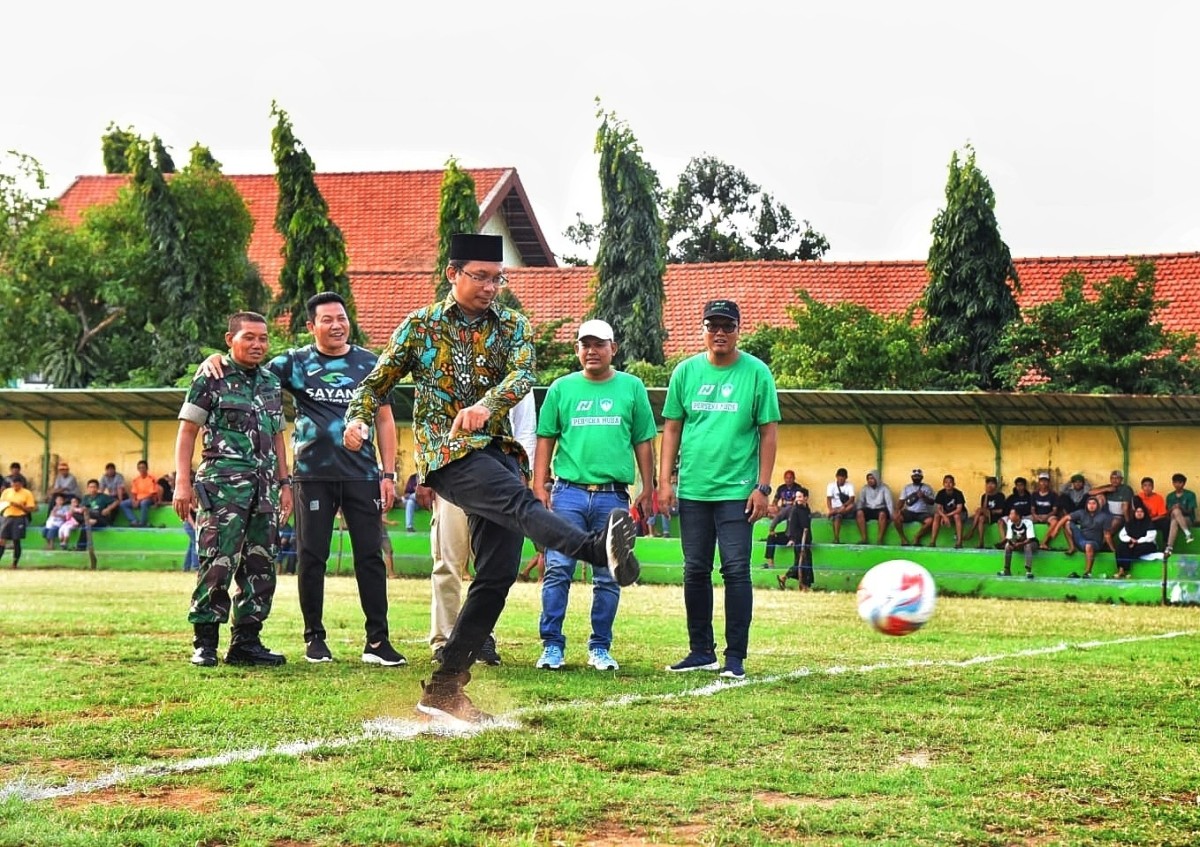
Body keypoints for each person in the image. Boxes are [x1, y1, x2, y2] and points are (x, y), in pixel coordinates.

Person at [343, 233, 639, 724]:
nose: (489, 286)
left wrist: (486, 404)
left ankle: (443, 687)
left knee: (498, 572)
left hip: (501, 452)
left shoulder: (513, 325)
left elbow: (522, 375)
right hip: (450, 453)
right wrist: (356, 420)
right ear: (452, 275)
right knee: (523, 508)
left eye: (496, 278)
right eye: (479, 276)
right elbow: (377, 382)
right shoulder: (420, 326)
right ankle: (594, 549)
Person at [199, 292, 403, 667]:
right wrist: (215, 358)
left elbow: (386, 419)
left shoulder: (370, 364)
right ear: (311, 327)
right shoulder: (293, 363)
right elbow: (246, 367)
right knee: (312, 557)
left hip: (363, 475)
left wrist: (388, 474)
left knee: (370, 557)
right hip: (312, 476)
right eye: (327, 320)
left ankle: (378, 642)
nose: (337, 325)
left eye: (341, 318)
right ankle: (315, 639)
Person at [658, 298, 780, 681]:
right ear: (703, 330)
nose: (720, 333)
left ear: (738, 330)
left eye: (727, 326)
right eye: (713, 325)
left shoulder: (757, 373)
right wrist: (665, 482)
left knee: (735, 570)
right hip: (694, 490)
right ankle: (700, 651)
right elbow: (673, 428)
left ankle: (735, 657)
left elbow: (768, 433)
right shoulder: (685, 372)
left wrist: (763, 487)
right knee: (694, 570)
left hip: (737, 492)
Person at [532, 318, 657, 672]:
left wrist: (649, 487)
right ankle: (552, 646)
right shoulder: (561, 388)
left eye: (599, 344)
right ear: (577, 350)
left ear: (613, 349)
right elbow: (546, 438)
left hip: (613, 497)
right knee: (557, 569)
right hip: (567, 493)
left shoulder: (632, 388)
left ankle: (600, 648)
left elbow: (643, 441)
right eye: (585, 344)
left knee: (608, 576)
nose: (592, 351)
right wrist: (539, 484)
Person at [173, 311, 293, 668]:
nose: (257, 344)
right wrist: (182, 481)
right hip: (223, 489)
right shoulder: (211, 376)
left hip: (266, 490)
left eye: (263, 338)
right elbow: (187, 431)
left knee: (261, 564)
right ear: (230, 340)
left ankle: (246, 643)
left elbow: (277, 438)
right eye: (249, 338)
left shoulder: (271, 383)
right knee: (217, 561)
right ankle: (205, 642)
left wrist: (285, 484)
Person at [428, 393, 536, 668]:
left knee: (492, 564)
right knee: (447, 559)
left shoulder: (514, 368)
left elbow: (525, 428)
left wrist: (523, 474)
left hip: (500, 476)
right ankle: (444, 639)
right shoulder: (445, 359)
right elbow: (431, 420)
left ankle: (479, 637)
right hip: (453, 470)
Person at [779, 487, 814, 590]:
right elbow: (792, 526)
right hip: (799, 540)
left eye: (800, 497)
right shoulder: (795, 510)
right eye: (797, 497)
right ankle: (803, 585)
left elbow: (807, 526)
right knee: (802, 563)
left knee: (804, 562)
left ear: (806, 498)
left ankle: (785, 578)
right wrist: (792, 539)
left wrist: (809, 539)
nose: (797, 499)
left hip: (806, 540)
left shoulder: (807, 509)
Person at [1046, 473, 1089, 553]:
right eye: (1075, 482)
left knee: (1087, 496)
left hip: (1081, 508)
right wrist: (1070, 481)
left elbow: (1088, 489)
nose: (1078, 484)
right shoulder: (1070, 491)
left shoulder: (1085, 491)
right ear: (1073, 483)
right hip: (1072, 509)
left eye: (1080, 482)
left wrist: (1085, 481)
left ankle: (1076, 519)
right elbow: (1061, 490)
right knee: (1063, 497)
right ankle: (1065, 517)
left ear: (1083, 483)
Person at [1067, 496, 1109, 579]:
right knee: (1067, 523)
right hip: (1081, 540)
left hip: (1095, 543)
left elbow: (1106, 534)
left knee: (1089, 545)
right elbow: (1065, 518)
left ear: (1097, 505)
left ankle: (1087, 572)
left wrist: (1108, 547)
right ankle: (1072, 547)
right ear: (1086, 505)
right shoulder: (1082, 512)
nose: (1091, 505)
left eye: (1094, 503)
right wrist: (1056, 529)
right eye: (1089, 503)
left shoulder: (1104, 516)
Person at [0, 475, 37, 568]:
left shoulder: (27, 493)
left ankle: (14, 563)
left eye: (17, 486)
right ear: (11, 484)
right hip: (7, 517)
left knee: (16, 540)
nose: (15, 488)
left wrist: (19, 506)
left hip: (19, 517)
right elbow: (1, 504)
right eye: (13, 485)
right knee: (1, 540)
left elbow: (31, 509)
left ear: (21, 485)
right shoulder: (6, 492)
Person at [1091, 470, 1134, 550]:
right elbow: (1090, 492)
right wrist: (1106, 490)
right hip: (1106, 515)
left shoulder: (1126, 489)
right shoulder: (1108, 487)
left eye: (1117, 478)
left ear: (1121, 479)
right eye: (1112, 478)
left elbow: (1125, 507)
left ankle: (1100, 546)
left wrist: (1128, 523)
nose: (1114, 480)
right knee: (1099, 496)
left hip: (1119, 516)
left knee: (1108, 531)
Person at [893, 468, 935, 546]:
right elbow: (901, 501)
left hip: (922, 513)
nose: (916, 477)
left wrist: (923, 496)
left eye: (918, 476)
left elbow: (932, 502)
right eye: (914, 476)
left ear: (922, 477)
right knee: (896, 518)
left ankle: (917, 537)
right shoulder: (907, 487)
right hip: (909, 512)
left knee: (930, 521)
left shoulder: (927, 488)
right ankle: (903, 539)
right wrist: (897, 510)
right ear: (912, 477)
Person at [1115, 503, 1157, 579]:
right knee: (1121, 547)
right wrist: (1130, 539)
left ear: (1144, 513)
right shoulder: (1130, 523)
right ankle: (1121, 570)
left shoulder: (1149, 523)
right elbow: (1122, 535)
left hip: (1146, 544)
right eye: (1137, 512)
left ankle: (1125, 571)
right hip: (1132, 543)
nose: (1139, 513)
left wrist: (1137, 542)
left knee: (1134, 549)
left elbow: (1150, 537)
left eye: (1141, 512)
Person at [855, 470, 895, 545]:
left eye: (872, 478)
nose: (870, 481)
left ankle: (880, 540)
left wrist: (891, 515)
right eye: (868, 479)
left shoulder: (884, 488)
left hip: (880, 509)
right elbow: (860, 501)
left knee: (883, 514)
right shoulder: (865, 488)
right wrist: (856, 511)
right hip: (869, 509)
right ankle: (864, 539)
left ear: (877, 478)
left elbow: (889, 502)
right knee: (859, 513)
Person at [1164, 473, 1196, 558]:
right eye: (1175, 482)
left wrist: (1181, 508)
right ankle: (1187, 534)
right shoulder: (1170, 496)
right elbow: (1167, 513)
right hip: (1172, 517)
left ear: (1184, 483)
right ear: (1173, 483)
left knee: (1175, 519)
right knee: (1175, 511)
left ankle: (1169, 547)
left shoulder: (1190, 495)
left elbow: (1190, 511)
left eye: (1180, 482)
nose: (1177, 485)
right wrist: (1173, 509)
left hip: (1187, 519)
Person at [120, 459, 160, 527]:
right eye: (140, 468)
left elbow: (152, 494)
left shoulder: (151, 478)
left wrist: (139, 501)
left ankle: (143, 522)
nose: (141, 469)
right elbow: (133, 493)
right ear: (137, 469)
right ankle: (134, 520)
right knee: (123, 504)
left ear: (147, 468)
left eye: (143, 467)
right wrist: (134, 500)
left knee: (143, 503)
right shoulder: (136, 480)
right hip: (138, 499)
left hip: (149, 499)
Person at [930, 474, 967, 548]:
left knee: (956, 516)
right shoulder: (941, 493)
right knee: (937, 515)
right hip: (948, 514)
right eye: (946, 482)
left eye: (950, 482)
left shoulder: (958, 493)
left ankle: (959, 542)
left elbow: (959, 509)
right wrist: (944, 516)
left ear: (954, 484)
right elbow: (938, 508)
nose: (948, 484)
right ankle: (932, 542)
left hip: (961, 514)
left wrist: (946, 516)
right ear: (943, 484)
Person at [999, 508, 1037, 579]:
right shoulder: (1010, 523)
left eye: (1011, 514)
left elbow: (1030, 539)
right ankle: (1007, 570)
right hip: (1018, 544)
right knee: (1007, 546)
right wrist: (1011, 544)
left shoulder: (1027, 523)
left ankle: (1028, 571)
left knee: (1027, 546)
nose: (1009, 516)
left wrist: (1019, 544)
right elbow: (1009, 537)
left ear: (1018, 516)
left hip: (1031, 543)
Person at [1133, 477, 1169, 545]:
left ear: (1153, 487)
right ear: (1142, 487)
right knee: (1135, 499)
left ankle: (1165, 544)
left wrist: (1151, 519)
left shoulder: (1158, 498)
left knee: (1165, 522)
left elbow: (1162, 515)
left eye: (1149, 485)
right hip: (1142, 519)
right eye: (1145, 485)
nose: (1147, 488)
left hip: (1154, 520)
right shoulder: (1139, 497)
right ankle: (1136, 542)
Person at [824, 467, 856, 544]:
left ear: (846, 478)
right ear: (836, 477)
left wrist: (843, 506)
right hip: (836, 509)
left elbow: (852, 499)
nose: (841, 480)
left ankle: (835, 512)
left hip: (845, 509)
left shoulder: (849, 486)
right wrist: (831, 509)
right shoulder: (831, 486)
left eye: (843, 479)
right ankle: (836, 538)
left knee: (852, 505)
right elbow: (828, 499)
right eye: (839, 479)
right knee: (838, 516)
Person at [999, 477, 1033, 544]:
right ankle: (1004, 540)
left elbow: (1031, 508)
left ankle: (1024, 539)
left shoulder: (1029, 497)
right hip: (1013, 516)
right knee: (1000, 521)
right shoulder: (1012, 498)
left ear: (1024, 486)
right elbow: (1006, 509)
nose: (1019, 487)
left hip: (1025, 516)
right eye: (1018, 485)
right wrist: (1009, 515)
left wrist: (1020, 516)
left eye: (1021, 485)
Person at [760, 503, 793, 569]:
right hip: (788, 536)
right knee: (771, 537)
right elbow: (778, 518)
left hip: (798, 537)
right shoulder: (788, 509)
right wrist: (771, 530)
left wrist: (793, 539)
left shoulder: (802, 511)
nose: (769, 514)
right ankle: (770, 563)